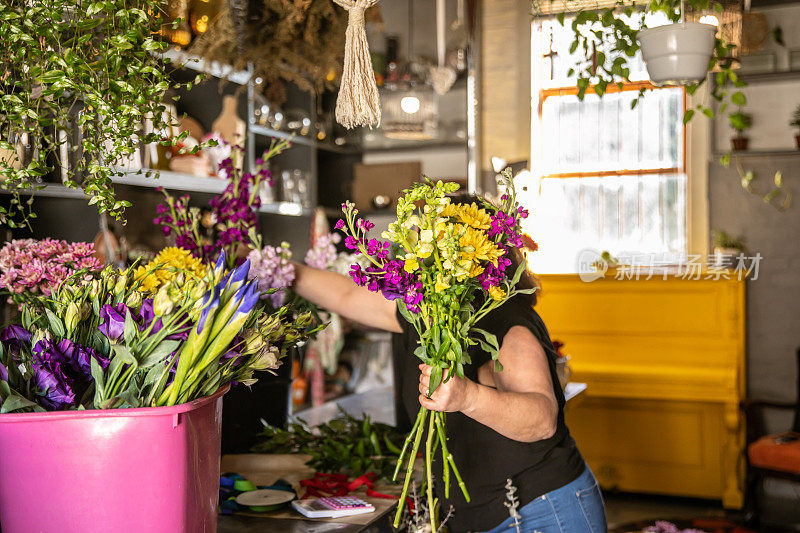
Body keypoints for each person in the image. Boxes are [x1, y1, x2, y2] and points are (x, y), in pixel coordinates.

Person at [291, 225, 607, 533]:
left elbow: (541, 421)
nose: (413, 256)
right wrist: (276, 268)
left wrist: (467, 396)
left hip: (539, 514)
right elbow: (346, 295)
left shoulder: (505, 319)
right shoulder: (430, 311)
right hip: (490, 515)